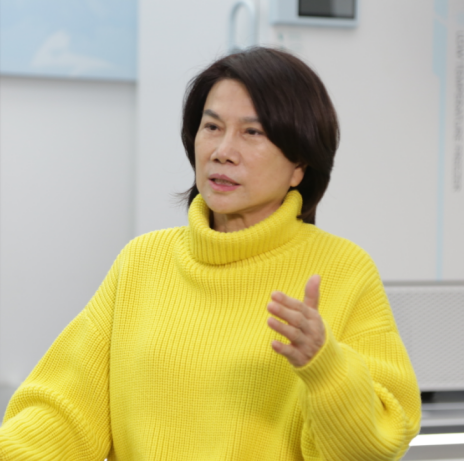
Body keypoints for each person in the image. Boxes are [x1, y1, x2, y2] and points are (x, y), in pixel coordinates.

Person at [0, 47, 421, 460]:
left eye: (252, 133)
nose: (222, 151)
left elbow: (376, 446)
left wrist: (326, 369)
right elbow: (65, 411)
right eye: (212, 127)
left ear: (299, 165)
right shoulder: (142, 261)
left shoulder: (345, 271)